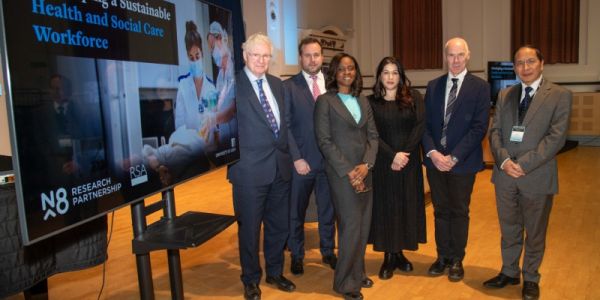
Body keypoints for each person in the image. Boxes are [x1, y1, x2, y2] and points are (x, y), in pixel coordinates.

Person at [484, 45, 572, 300]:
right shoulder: (505, 95)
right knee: (509, 228)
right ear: (515, 67)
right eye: (520, 63)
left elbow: (556, 138)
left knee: (535, 231)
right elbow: (495, 133)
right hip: (504, 176)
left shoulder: (560, 95)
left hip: (536, 175)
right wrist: (503, 161)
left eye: (530, 61)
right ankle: (509, 271)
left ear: (541, 63)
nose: (525, 67)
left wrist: (523, 164)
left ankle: (531, 277)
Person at [227, 33, 295, 300]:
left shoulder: (278, 85)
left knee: (279, 225)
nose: (261, 60)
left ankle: (275, 272)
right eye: (256, 54)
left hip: (280, 167)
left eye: (266, 55)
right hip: (248, 171)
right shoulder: (231, 85)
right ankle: (251, 279)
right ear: (245, 56)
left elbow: (284, 126)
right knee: (250, 230)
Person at [422, 37, 490, 282]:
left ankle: (457, 259)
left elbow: (479, 127)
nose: (456, 60)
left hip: (463, 162)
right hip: (435, 162)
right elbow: (425, 126)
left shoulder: (480, 87)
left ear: (468, 55)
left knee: (459, 211)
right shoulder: (433, 86)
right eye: (451, 55)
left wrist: (453, 156)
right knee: (440, 211)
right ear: (445, 56)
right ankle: (442, 257)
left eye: (460, 54)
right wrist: (433, 153)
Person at [314, 52, 378, 300]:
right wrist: (350, 170)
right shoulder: (325, 101)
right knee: (351, 226)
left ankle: (358, 272)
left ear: (356, 72)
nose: (347, 72)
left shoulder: (363, 100)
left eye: (351, 68)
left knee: (363, 225)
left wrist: (366, 164)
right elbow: (324, 141)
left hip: (365, 172)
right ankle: (345, 284)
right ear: (334, 73)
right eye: (341, 69)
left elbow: (373, 136)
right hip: (342, 175)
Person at [367, 56, 426, 280]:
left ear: (400, 76)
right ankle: (388, 255)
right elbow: (370, 133)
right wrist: (392, 155)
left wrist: (403, 155)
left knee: (405, 205)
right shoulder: (370, 102)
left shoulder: (415, 98)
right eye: (386, 72)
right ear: (379, 76)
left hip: (408, 164)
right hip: (383, 164)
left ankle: (400, 252)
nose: (390, 77)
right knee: (386, 208)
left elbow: (420, 127)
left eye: (394, 72)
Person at [283, 37, 336, 276]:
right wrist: (296, 157)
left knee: (328, 210)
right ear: (300, 57)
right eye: (307, 55)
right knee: (297, 211)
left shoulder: (333, 85)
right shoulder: (289, 87)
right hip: (302, 162)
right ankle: (297, 254)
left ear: (322, 57)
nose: (312, 59)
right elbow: (285, 126)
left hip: (329, 162)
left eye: (316, 55)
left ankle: (328, 251)